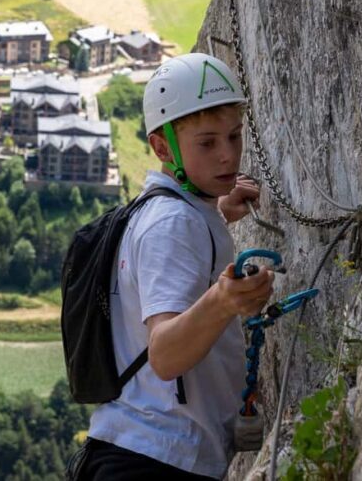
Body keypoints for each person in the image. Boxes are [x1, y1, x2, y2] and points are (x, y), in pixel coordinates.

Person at [73, 53, 276, 480]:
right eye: (207, 143)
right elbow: (164, 355)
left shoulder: (161, 211)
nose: (227, 156)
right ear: (162, 146)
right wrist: (223, 300)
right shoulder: (174, 224)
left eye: (234, 136)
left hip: (137, 453)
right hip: (158, 461)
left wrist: (218, 212)